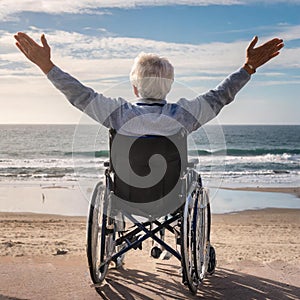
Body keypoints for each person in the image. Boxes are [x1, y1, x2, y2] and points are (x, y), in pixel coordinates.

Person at [14, 32, 284, 137]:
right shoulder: (184, 116)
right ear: (169, 86)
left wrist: (46, 67)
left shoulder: (119, 114)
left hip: (126, 194)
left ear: (135, 87)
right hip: (169, 193)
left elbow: (79, 95)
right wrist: (248, 68)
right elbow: (222, 95)